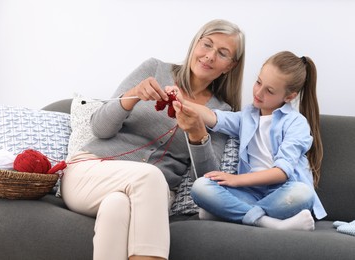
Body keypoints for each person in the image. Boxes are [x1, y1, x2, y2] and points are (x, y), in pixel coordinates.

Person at [61, 19, 245, 260]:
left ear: (230, 66)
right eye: (207, 45)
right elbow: (99, 128)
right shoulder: (155, 70)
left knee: (116, 207)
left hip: (149, 195)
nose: (210, 56)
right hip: (92, 172)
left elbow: (205, 179)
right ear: (195, 44)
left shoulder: (220, 112)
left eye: (222, 53)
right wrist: (133, 95)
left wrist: (197, 134)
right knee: (150, 177)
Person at [169, 51, 327, 232]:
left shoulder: (296, 123)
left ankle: (230, 213)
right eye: (259, 82)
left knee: (304, 193)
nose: (258, 92)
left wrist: (236, 180)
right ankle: (270, 222)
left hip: (283, 193)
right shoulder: (247, 116)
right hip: (250, 194)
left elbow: (282, 172)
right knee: (201, 187)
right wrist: (182, 101)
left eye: (269, 90)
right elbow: (213, 117)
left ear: (289, 96)